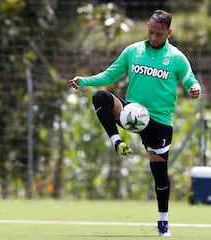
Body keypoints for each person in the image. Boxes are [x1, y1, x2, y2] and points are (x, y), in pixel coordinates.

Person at [69, 9, 201, 237]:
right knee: (100, 97)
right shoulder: (134, 51)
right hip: (131, 113)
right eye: (150, 32)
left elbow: (190, 78)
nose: (153, 37)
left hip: (158, 122)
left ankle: (163, 221)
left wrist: (193, 88)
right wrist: (84, 81)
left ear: (168, 32)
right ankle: (116, 140)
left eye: (158, 34)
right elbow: (110, 75)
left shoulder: (177, 58)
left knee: (159, 171)